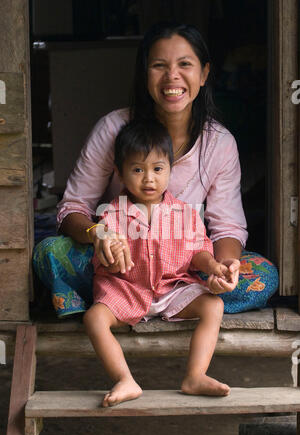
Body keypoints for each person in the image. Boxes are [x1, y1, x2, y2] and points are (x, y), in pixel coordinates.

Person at [33, 21, 278, 318]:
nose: (172, 76)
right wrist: (97, 233)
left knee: (263, 277)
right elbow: (72, 208)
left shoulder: (219, 144)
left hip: (185, 274)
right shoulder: (113, 129)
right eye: (159, 65)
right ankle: (133, 303)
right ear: (144, 74)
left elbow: (227, 226)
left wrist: (223, 269)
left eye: (185, 64)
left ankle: (118, 308)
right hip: (117, 271)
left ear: (204, 74)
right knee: (49, 253)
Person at [84, 119, 231, 407]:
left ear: (170, 170)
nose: (149, 179)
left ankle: (195, 376)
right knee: (94, 319)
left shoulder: (185, 213)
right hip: (126, 289)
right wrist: (112, 251)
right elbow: (106, 261)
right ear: (120, 173)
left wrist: (212, 266)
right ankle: (125, 379)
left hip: (170, 289)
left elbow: (197, 253)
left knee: (214, 305)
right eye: (138, 169)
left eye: (158, 169)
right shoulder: (112, 215)